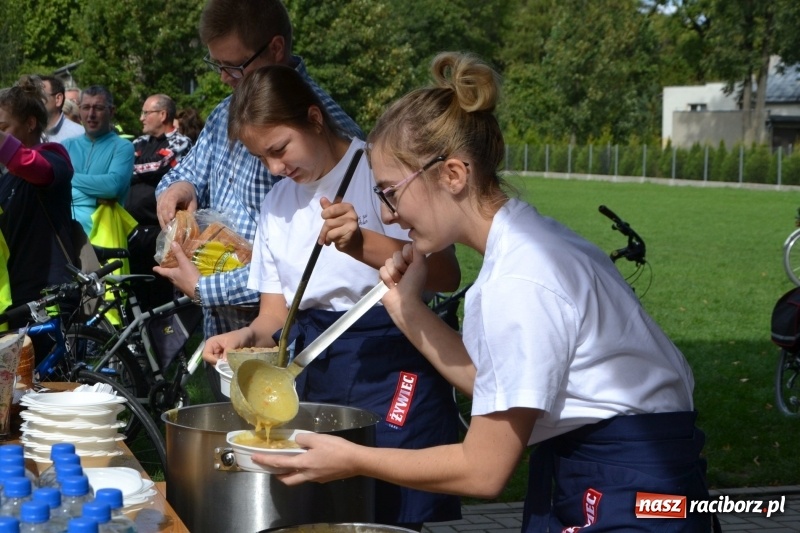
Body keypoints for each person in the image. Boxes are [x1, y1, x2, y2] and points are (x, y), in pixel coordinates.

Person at [253, 52, 714, 532]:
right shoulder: (529, 242)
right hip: (610, 466)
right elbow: (494, 384)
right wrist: (409, 311)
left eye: (390, 192)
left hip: (629, 483)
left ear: (453, 175)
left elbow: (484, 471)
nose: (388, 215)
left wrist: (354, 459)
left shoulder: (517, 281)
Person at [199, 65, 462, 529]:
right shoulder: (277, 202)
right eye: (263, 158)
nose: (276, 168)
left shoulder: (382, 170)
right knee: (329, 511)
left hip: (395, 360)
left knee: (391, 514)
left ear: (314, 118)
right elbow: (274, 315)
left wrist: (362, 242)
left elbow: (444, 273)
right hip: (322, 370)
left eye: (280, 149)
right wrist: (242, 337)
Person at [155, 0, 363, 401]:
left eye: (233, 67)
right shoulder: (225, 113)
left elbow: (308, 274)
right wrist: (179, 189)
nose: (222, 78)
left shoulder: (327, 136)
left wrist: (203, 288)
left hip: (292, 351)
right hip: (228, 335)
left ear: (276, 48)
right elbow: (189, 171)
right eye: (216, 65)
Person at [0, 75, 76, 358]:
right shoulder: (7, 180)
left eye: (3, 128)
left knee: (50, 386)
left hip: (49, 291)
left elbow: (31, 164)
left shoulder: (54, 156)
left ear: (30, 123)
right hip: (17, 292)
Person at [127, 94, 193, 309]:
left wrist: (134, 170)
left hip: (161, 231)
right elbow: (126, 166)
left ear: (162, 114)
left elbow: (160, 165)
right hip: (133, 229)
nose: (141, 118)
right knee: (136, 289)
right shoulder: (138, 143)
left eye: (146, 113)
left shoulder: (181, 142)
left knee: (160, 291)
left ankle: (167, 339)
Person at [63, 85, 134, 237]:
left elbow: (112, 187)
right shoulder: (66, 146)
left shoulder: (123, 147)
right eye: (86, 107)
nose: (91, 114)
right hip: (65, 235)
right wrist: (96, 199)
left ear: (112, 111)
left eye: (98, 108)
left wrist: (68, 176)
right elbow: (53, 189)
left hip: (105, 238)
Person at [39, 75, 84, 143]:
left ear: (58, 99)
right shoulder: (27, 134)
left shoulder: (80, 134)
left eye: (40, 95)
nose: (35, 100)